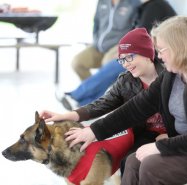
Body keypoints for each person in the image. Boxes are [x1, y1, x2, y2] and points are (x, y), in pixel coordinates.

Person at [63, 16, 187, 185]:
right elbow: (138, 107)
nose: (158, 56)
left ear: (178, 47)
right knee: (133, 161)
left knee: (152, 166)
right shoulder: (173, 73)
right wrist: (94, 131)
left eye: (161, 50)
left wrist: (160, 147)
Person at [41, 28, 166, 176]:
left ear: (147, 54)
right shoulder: (126, 81)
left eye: (130, 57)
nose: (125, 63)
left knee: (141, 166)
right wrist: (68, 115)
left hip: (175, 132)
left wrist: (171, 135)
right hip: (145, 133)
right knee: (127, 164)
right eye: (121, 59)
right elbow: (103, 103)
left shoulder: (169, 74)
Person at [58, 0, 177, 110]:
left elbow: (142, 37)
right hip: (147, 51)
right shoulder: (146, 7)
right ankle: (85, 101)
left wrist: (124, 49)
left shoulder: (155, 5)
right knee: (111, 64)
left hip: (157, 54)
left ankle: (78, 97)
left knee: (115, 64)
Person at [72, 0, 141, 80]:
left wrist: (125, 46)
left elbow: (137, 28)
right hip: (98, 46)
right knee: (77, 63)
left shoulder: (133, 3)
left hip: (118, 46)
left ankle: (103, 90)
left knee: (108, 64)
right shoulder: (102, 2)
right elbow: (96, 22)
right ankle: (93, 90)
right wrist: (95, 40)